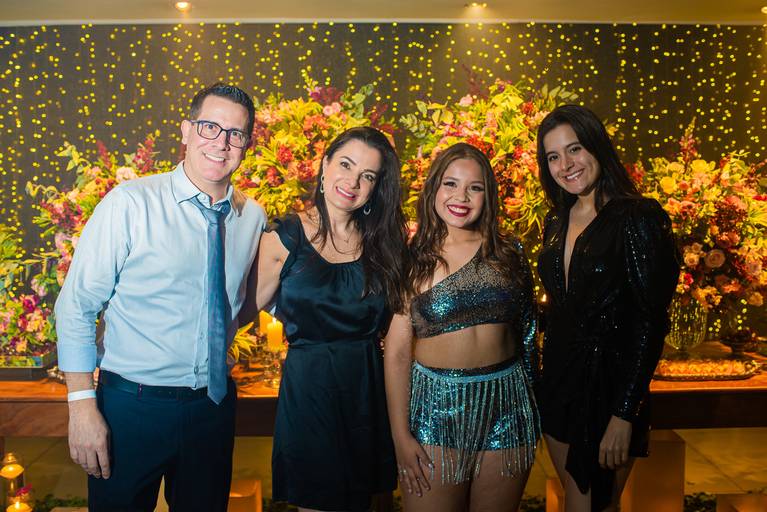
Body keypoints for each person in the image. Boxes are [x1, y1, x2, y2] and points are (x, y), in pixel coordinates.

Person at [55, 83, 266, 511]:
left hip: (212, 408)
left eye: (235, 133)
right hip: (131, 408)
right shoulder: (130, 204)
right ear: (186, 130)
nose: (221, 143)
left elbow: (240, 304)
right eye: (210, 127)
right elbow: (76, 305)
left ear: (247, 144)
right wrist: (81, 406)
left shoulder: (252, 217)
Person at [250, 126, 408, 512]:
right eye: (345, 165)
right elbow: (238, 312)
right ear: (325, 165)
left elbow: (401, 330)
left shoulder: (384, 243)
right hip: (310, 390)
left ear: (376, 187)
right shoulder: (285, 237)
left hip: (366, 390)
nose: (352, 182)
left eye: (367, 176)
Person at [535, 104, 680, 512]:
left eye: (575, 149)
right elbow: (560, 308)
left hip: (607, 388)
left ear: (597, 146)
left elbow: (652, 321)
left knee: (595, 504)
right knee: (574, 500)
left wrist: (624, 412)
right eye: (553, 156)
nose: (566, 165)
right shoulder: (556, 221)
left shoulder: (638, 217)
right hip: (557, 383)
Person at [383, 142, 540, 512]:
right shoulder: (411, 258)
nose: (461, 197)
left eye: (475, 187)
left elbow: (528, 334)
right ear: (433, 189)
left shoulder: (509, 253)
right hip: (436, 409)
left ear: (489, 196)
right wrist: (400, 437)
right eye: (451, 184)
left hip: (508, 407)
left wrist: (533, 408)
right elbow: (398, 354)